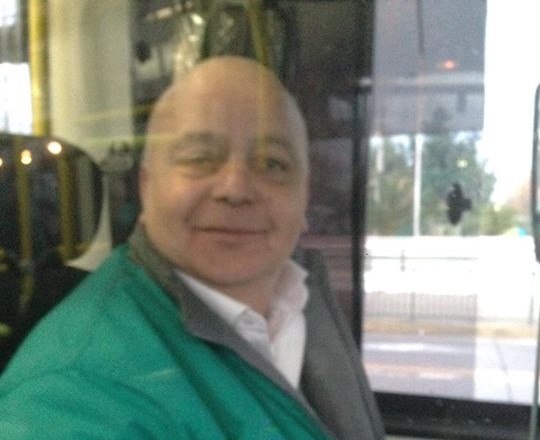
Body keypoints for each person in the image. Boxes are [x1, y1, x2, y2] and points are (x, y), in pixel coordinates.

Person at [0, 56, 384, 439]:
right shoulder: (72, 396)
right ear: (146, 187)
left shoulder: (304, 301)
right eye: (200, 159)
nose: (236, 189)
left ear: (305, 194)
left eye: (272, 164)